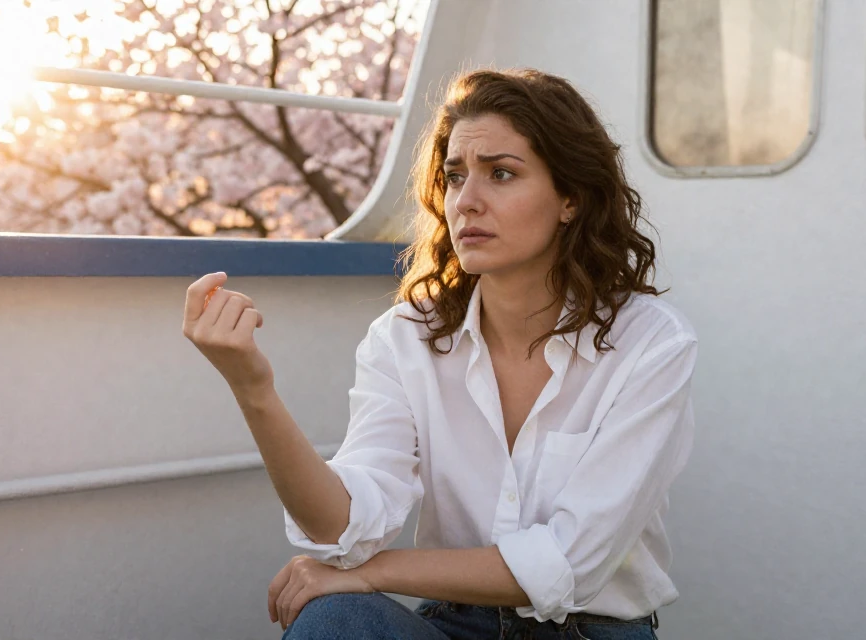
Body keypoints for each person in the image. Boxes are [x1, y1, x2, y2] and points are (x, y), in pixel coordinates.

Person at [182, 68, 697, 640]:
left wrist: (373, 573)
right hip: (454, 625)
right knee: (333, 619)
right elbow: (342, 528)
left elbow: (570, 562)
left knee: (345, 594)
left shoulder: (650, 343)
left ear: (570, 198)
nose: (466, 202)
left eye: (501, 173)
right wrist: (253, 389)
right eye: (454, 177)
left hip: (594, 631)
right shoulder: (406, 336)